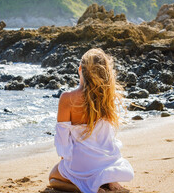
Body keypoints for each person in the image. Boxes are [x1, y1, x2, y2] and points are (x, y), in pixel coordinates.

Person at [49, 48, 134, 193]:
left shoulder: (67, 98)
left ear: (80, 69)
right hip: (106, 161)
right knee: (99, 169)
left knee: (53, 178)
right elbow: (108, 136)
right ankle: (107, 181)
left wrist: (65, 160)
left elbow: (62, 138)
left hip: (81, 163)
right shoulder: (107, 98)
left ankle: (85, 188)